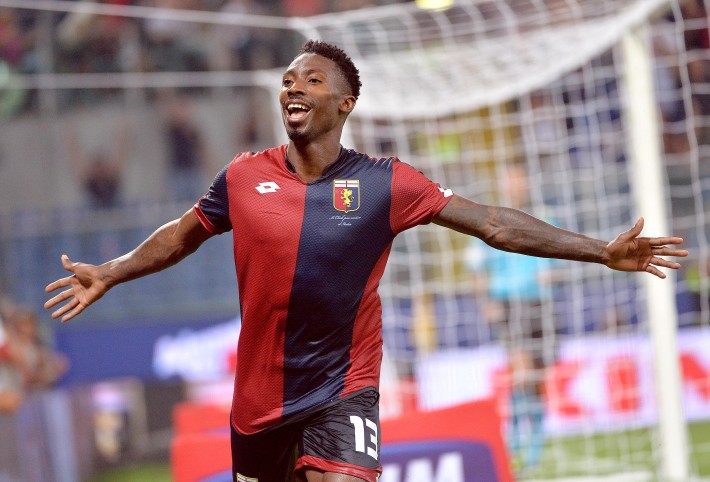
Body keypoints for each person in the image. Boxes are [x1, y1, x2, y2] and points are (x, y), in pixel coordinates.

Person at [44, 40, 688, 482]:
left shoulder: (387, 183)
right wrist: (113, 269)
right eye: (288, 80)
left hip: (343, 389)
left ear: (345, 103)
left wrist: (599, 250)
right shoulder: (242, 177)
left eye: (311, 79)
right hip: (258, 401)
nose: (293, 86)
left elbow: (491, 221)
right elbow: (183, 234)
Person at [465, 164, 557, 474]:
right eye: (510, 179)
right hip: (507, 301)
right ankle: (519, 442)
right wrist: (485, 302)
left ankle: (536, 442)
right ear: (502, 185)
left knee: (538, 379)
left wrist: (552, 274)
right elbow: (476, 269)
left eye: (520, 179)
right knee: (522, 372)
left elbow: (559, 259)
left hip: (539, 303)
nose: (516, 185)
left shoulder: (545, 218)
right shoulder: (490, 221)